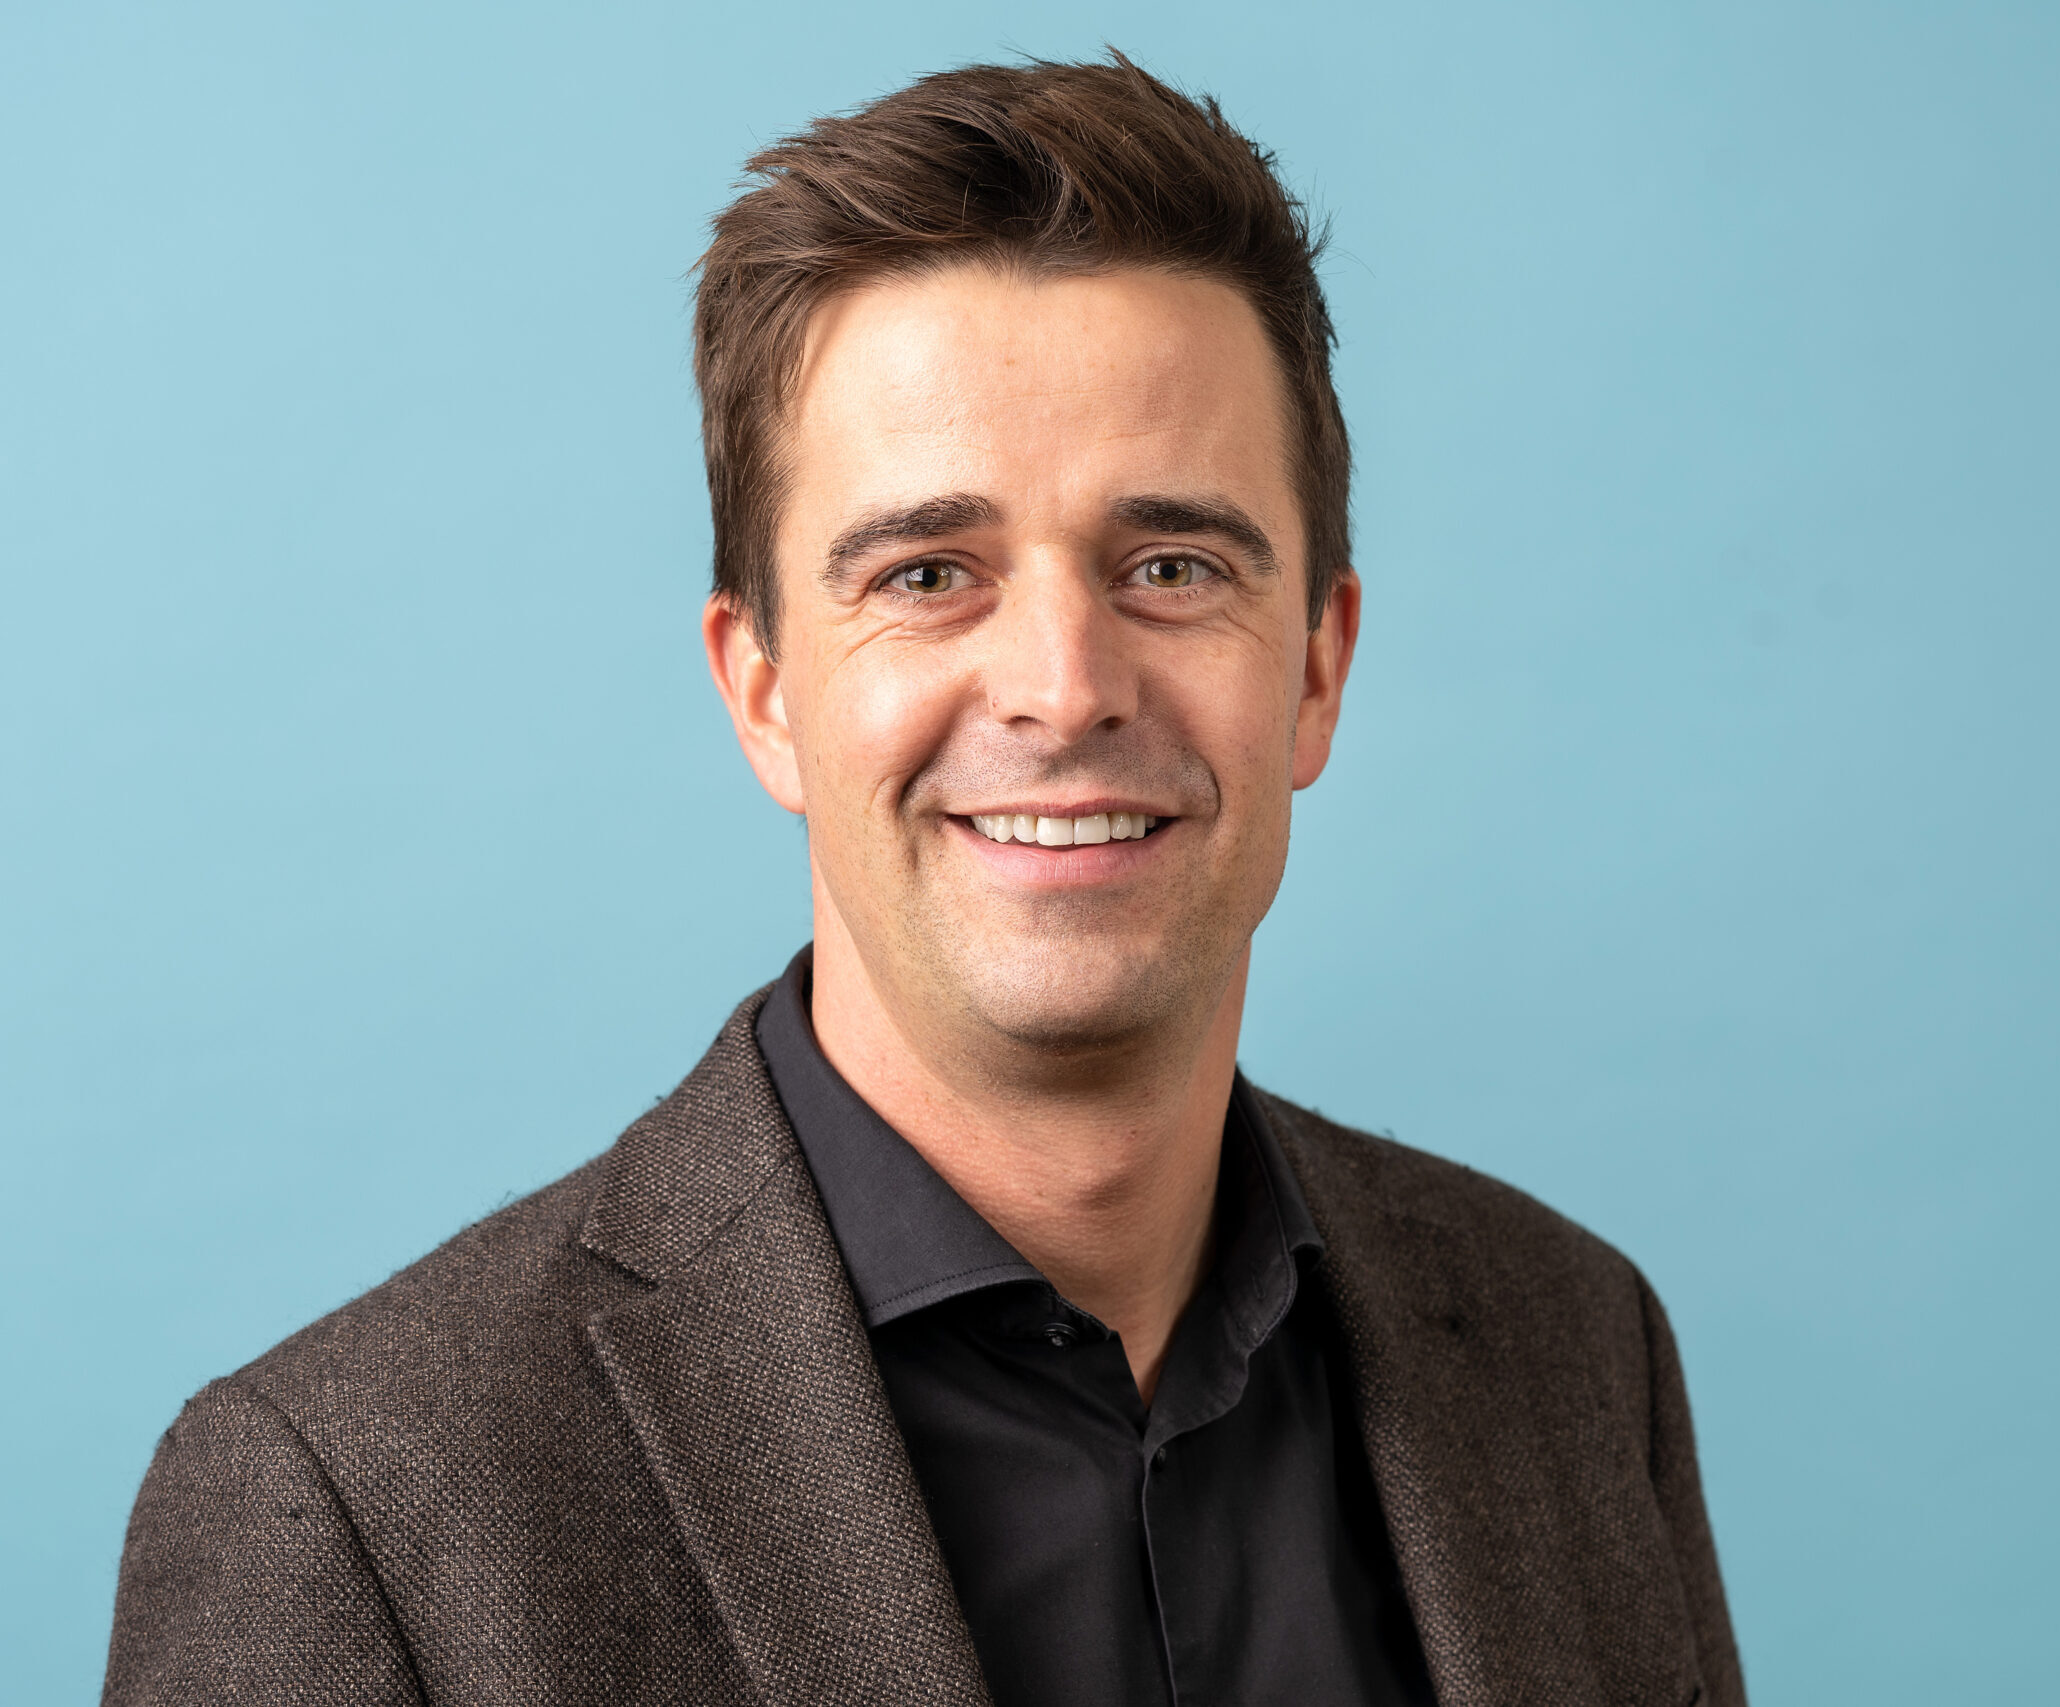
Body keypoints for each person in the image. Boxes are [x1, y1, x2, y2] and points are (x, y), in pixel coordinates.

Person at [102, 54, 1745, 1707]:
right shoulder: (352, 1511)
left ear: (1317, 668)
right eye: (929, 573)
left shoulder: (1577, 1353)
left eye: (1172, 565)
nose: (1064, 687)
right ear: (764, 691)